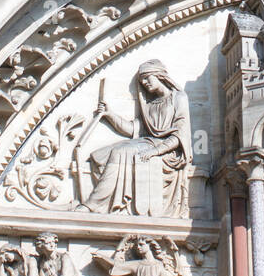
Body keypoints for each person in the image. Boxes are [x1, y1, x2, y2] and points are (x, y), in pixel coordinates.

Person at [81, 60, 192, 217]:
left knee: (121, 152)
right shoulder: (151, 104)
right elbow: (134, 129)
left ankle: (93, 204)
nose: (145, 83)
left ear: (159, 75)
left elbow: (180, 135)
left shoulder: (179, 98)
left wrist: (155, 151)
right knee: (101, 154)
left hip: (168, 150)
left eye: (148, 78)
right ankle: (105, 201)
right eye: (142, 81)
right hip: (147, 143)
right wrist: (109, 114)